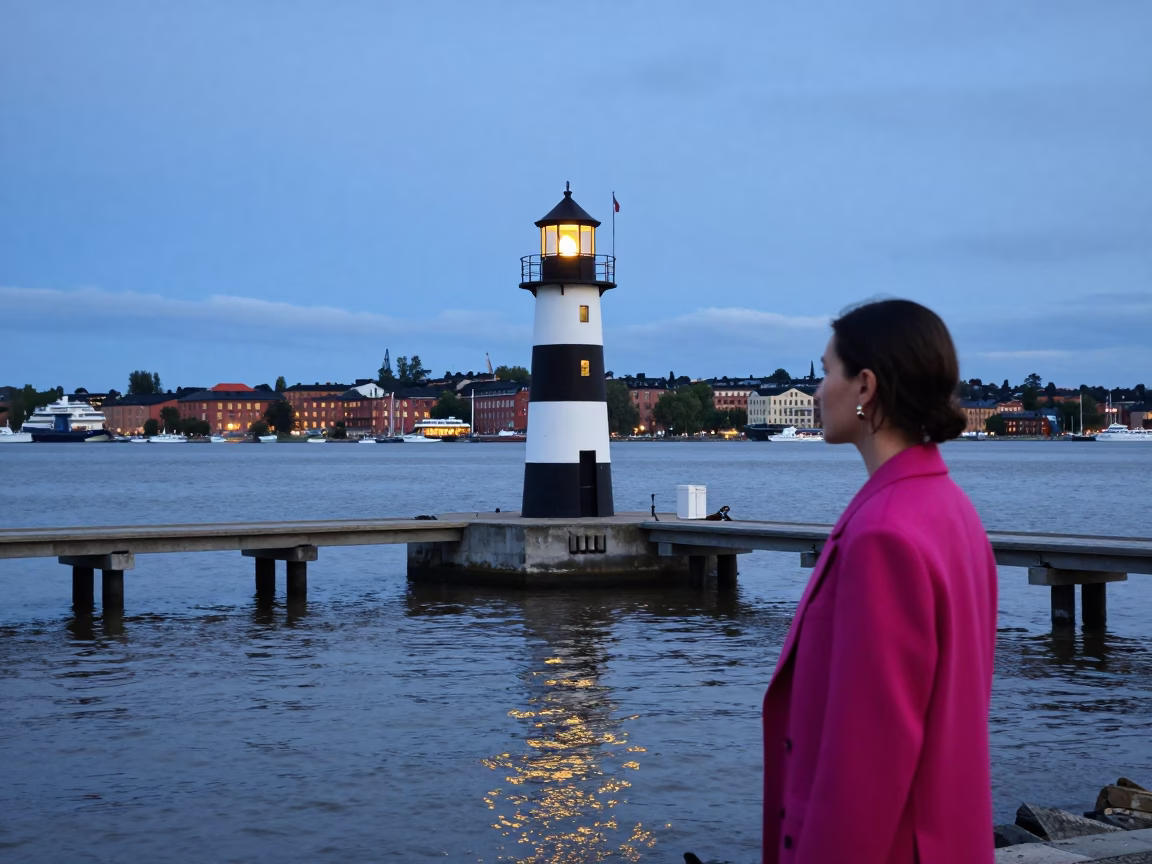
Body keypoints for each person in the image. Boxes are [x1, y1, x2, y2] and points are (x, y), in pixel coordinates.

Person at [762, 299, 998, 863]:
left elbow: (864, 765)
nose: (817, 392)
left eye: (825, 371)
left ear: (864, 386)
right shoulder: (954, 511)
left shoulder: (883, 535)